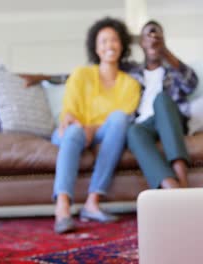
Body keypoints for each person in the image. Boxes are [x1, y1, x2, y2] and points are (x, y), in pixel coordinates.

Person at [52, 17, 140, 234]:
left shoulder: (131, 84)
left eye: (114, 40)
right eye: (103, 41)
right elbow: (69, 109)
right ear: (96, 47)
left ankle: (93, 202)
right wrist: (77, 124)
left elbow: (120, 119)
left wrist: (92, 129)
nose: (109, 45)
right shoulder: (81, 74)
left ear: (122, 45)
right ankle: (62, 207)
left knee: (119, 119)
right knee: (73, 131)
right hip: (74, 129)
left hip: (103, 132)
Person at [126, 20, 198, 189]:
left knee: (161, 99)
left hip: (169, 117)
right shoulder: (132, 73)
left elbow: (191, 83)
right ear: (142, 43)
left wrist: (164, 51)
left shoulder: (173, 69)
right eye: (147, 36)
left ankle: (183, 181)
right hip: (144, 124)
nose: (152, 39)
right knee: (133, 131)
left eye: (157, 34)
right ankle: (172, 188)